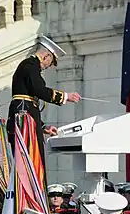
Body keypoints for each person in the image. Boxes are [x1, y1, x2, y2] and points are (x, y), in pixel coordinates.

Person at [7, 34, 81, 166]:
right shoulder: (30, 66)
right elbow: (39, 90)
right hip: (23, 121)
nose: (50, 66)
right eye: (51, 61)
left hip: (26, 116)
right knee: (29, 162)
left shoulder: (30, 67)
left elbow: (29, 104)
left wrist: (42, 127)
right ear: (46, 56)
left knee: (34, 160)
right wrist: (65, 96)